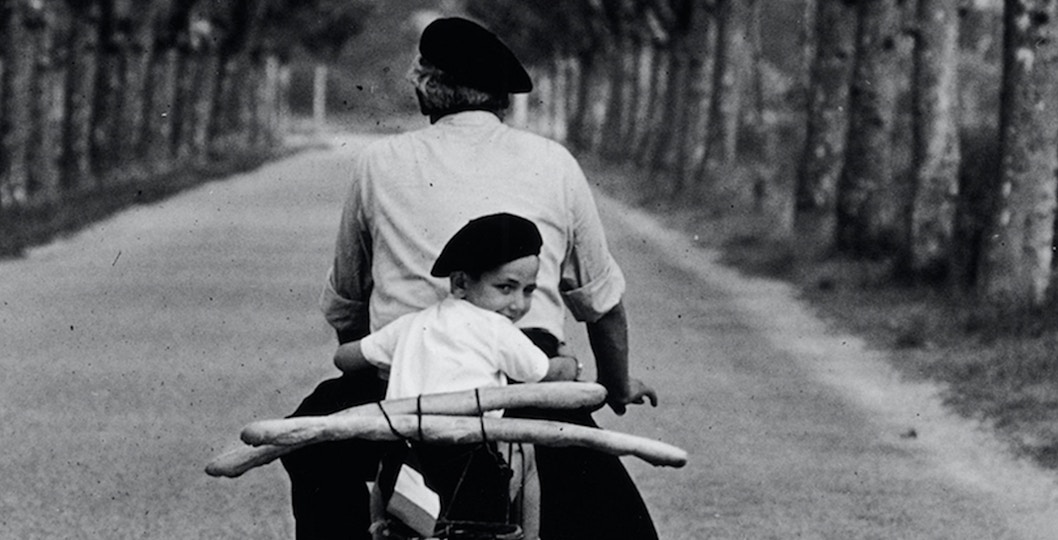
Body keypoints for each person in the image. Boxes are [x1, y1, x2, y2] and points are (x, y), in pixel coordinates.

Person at [281, 16, 659, 540]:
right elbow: (601, 303)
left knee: (313, 454)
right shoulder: (554, 162)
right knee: (616, 522)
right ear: (503, 98)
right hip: (529, 382)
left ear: (425, 90)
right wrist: (616, 385)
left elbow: (347, 304)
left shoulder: (378, 162)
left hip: (405, 381)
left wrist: (371, 379)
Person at [332, 213, 576, 538]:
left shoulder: (410, 325)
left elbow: (345, 358)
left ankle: (379, 524)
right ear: (460, 283)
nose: (518, 304)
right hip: (473, 459)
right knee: (526, 453)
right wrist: (571, 365)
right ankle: (530, 536)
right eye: (506, 288)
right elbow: (543, 374)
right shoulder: (496, 328)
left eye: (528, 290)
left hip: (404, 460)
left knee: (385, 460)